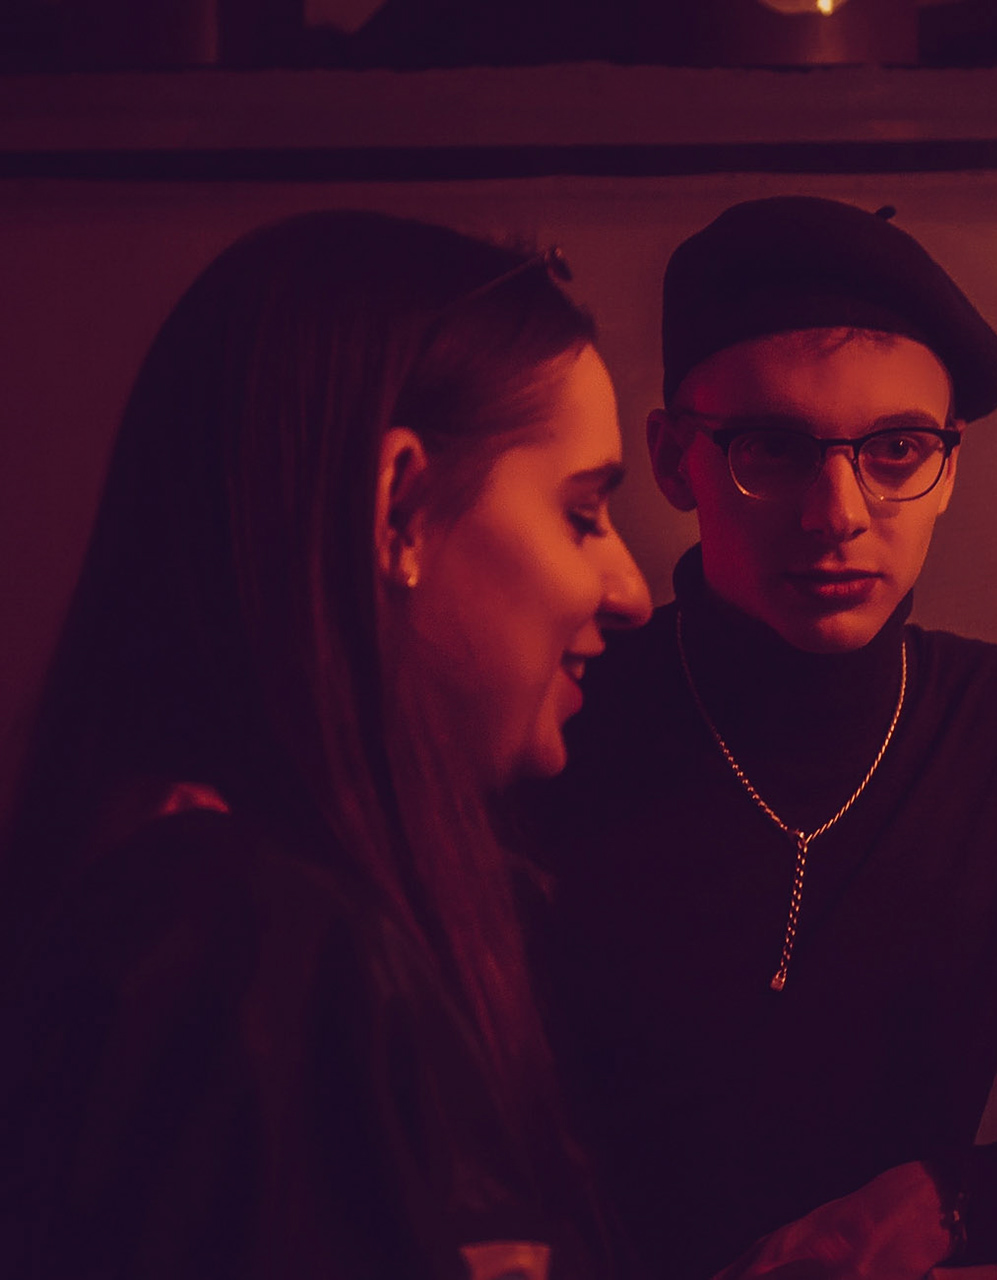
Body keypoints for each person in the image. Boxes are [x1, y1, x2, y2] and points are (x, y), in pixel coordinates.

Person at [515, 196, 997, 1278]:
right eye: (773, 448)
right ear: (676, 459)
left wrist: (965, 1200)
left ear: (950, 468)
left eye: (897, 449)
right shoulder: (555, 718)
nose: (838, 512)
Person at [0, 210, 651, 1280]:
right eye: (583, 513)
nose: (630, 590)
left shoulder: (252, 915)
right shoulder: (235, 948)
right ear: (399, 508)